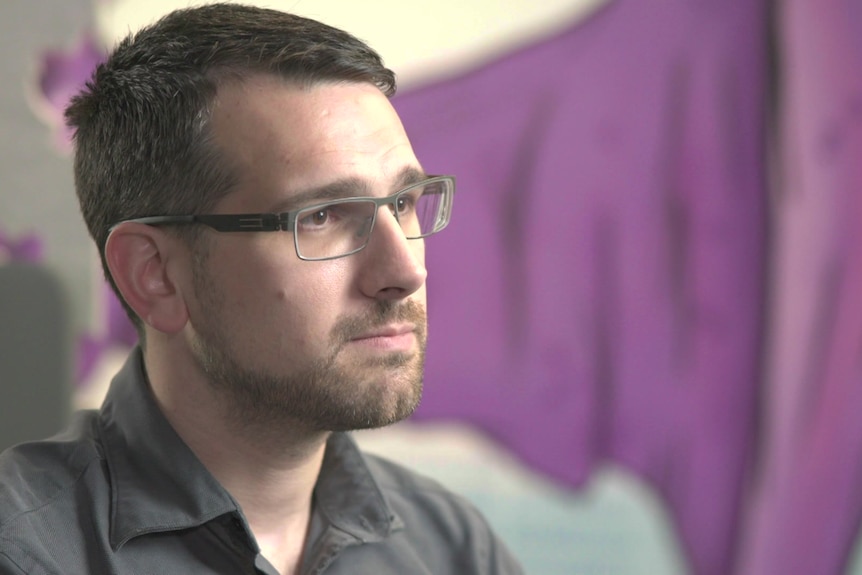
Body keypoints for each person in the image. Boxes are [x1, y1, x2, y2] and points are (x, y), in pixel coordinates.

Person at [0, 4, 524, 574]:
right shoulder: (26, 552)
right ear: (155, 274)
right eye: (321, 216)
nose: (405, 271)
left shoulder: (451, 547)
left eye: (402, 203)